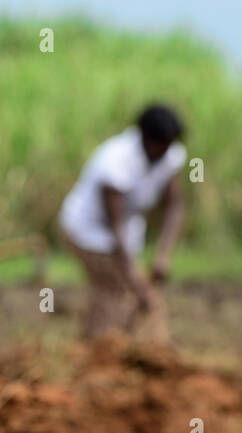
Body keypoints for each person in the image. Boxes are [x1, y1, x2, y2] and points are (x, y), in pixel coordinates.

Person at [59, 105, 186, 342]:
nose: (167, 150)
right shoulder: (115, 160)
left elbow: (173, 205)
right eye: (162, 144)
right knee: (116, 291)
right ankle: (103, 350)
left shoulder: (170, 155)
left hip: (126, 231)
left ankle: (117, 347)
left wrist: (162, 256)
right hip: (88, 231)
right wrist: (130, 273)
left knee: (129, 293)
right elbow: (114, 225)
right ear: (146, 138)